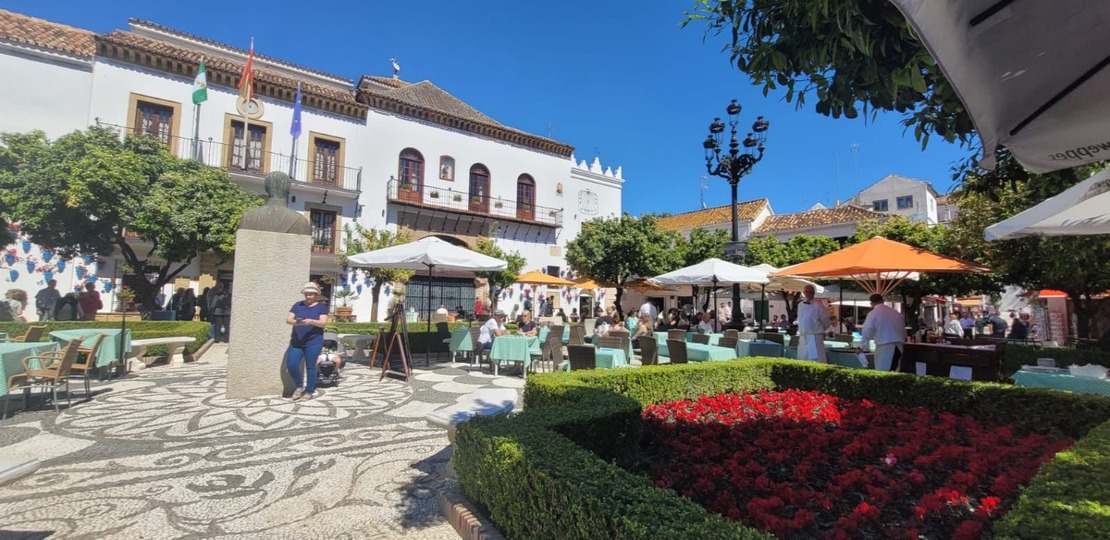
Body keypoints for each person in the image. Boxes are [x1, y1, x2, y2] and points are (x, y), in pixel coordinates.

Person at [285, 282, 329, 402]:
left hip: (313, 341)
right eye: (306, 294)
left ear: (316, 295)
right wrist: (297, 322)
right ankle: (299, 386)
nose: (308, 296)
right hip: (297, 342)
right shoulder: (297, 305)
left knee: (310, 367)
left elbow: (323, 323)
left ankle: (309, 391)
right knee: (292, 364)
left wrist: (311, 321)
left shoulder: (321, 307)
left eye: (311, 294)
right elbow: (288, 320)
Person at [860, 294, 907, 371]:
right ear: (882, 301)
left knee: (883, 371)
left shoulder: (873, 313)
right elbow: (903, 332)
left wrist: (862, 346)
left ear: (871, 303)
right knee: (895, 370)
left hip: (885, 346)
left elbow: (867, 331)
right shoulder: (896, 313)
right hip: (899, 345)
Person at [796, 284, 831, 363]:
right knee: (802, 359)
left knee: (815, 360)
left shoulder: (819, 306)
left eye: (810, 292)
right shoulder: (800, 305)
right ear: (803, 293)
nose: (808, 294)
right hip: (803, 337)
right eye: (806, 292)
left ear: (813, 293)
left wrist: (818, 330)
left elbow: (826, 322)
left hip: (814, 337)